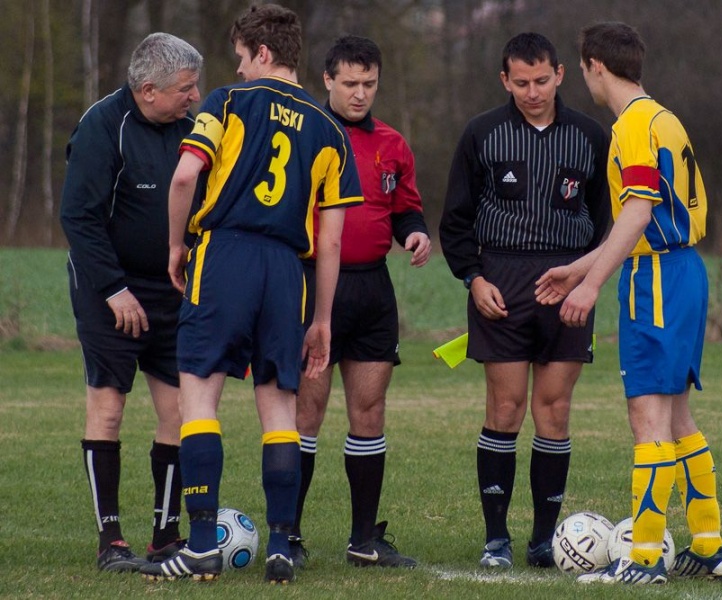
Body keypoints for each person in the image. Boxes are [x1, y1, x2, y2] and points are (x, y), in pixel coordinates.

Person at [138, 3, 361, 584]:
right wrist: (324, 320)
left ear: (262, 54)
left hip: (227, 254)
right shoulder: (330, 128)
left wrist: (175, 246)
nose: (236, 69)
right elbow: (333, 243)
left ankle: (204, 543)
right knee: (280, 409)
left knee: (199, 397)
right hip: (290, 269)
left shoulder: (228, 103)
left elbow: (186, 175)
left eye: (240, 57)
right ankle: (283, 546)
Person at [535, 21, 722, 585]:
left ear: (596, 65)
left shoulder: (633, 127)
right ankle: (709, 545)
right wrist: (580, 268)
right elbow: (640, 219)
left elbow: (639, 212)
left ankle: (643, 559)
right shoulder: (663, 117)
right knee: (676, 416)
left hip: (657, 280)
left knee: (647, 419)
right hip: (684, 271)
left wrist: (592, 285)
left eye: (585, 70)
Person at [439, 32, 610, 569]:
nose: (532, 91)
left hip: (569, 281)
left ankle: (543, 539)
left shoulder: (590, 136)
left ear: (560, 74)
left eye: (542, 81)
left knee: (554, 410)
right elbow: (456, 221)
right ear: (504, 80)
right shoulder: (481, 134)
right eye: (521, 83)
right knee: (506, 408)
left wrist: (587, 280)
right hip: (502, 282)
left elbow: (608, 222)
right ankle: (496, 540)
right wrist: (473, 278)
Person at [59, 32, 202, 573]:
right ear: (147, 90)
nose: (194, 97)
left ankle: (166, 536)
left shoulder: (193, 128)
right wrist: (114, 289)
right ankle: (110, 540)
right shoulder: (103, 126)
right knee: (109, 406)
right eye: (185, 89)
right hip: (106, 290)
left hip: (171, 291)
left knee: (181, 411)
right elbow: (78, 217)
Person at [290, 35, 428, 570]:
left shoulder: (392, 143)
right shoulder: (305, 133)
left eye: (369, 84)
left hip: (373, 291)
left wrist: (415, 233)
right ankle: (289, 535)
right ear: (327, 80)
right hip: (312, 286)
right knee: (307, 411)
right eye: (350, 83)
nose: (360, 93)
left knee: (368, 412)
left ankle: (363, 539)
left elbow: (405, 210)